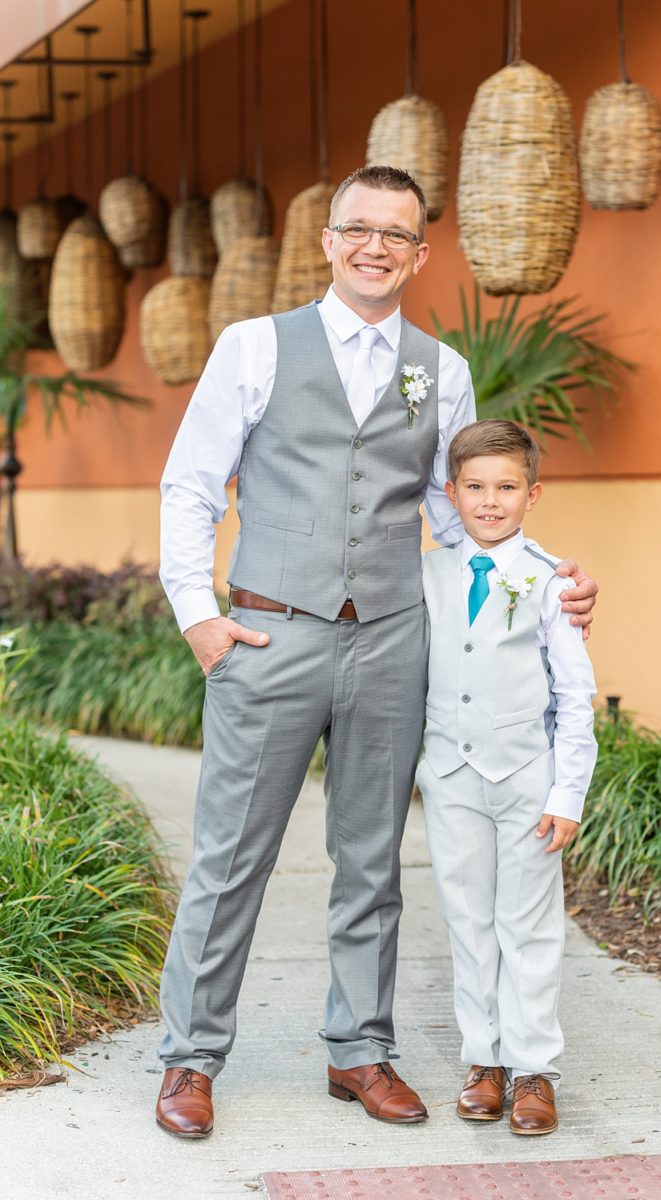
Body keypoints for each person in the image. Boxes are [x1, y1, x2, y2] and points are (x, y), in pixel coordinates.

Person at [155, 165, 598, 1139]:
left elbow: (456, 508)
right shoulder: (254, 346)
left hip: (393, 641)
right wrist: (199, 614)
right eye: (360, 228)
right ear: (329, 238)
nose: (376, 247)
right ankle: (190, 1058)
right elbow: (193, 485)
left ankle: (359, 1048)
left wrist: (547, 577)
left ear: (419, 252)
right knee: (232, 856)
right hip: (270, 633)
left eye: (398, 234)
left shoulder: (438, 369)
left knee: (371, 860)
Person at [416, 419, 597, 1136]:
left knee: (527, 925)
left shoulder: (551, 581)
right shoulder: (425, 574)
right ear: (452, 493)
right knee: (468, 922)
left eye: (505, 488)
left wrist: (566, 796)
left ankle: (533, 1070)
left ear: (532, 493)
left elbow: (573, 695)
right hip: (451, 778)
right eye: (475, 487)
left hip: (526, 777)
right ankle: (482, 1060)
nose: (490, 502)